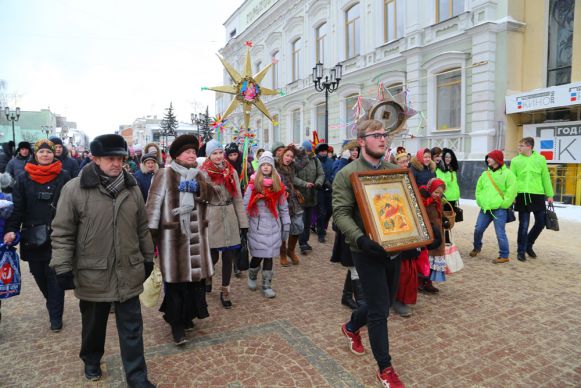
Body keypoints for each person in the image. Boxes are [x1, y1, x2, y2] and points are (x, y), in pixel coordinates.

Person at [50, 134, 155, 386]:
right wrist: (63, 267)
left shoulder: (131, 189)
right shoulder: (74, 189)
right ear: (95, 159)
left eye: (120, 158)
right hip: (92, 272)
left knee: (132, 329)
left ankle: (137, 378)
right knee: (94, 326)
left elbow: (142, 227)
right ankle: (91, 359)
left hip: (128, 269)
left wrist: (148, 257)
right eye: (110, 158)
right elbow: (63, 231)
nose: (117, 163)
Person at [333, 119, 404, 387]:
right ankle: (385, 369)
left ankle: (351, 327)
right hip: (365, 251)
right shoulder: (346, 174)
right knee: (379, 312)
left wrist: (415, 234)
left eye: (385, 135)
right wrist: (361, 240)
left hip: (394, 249)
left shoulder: (394, 169)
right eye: (376, 135)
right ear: (361, 141)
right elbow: (340, 213)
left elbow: (403, 204)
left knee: (382, 304)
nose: (383, 139)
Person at [146, 134, 215, 346]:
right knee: (175, 285)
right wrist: (150, 239)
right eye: (188, 152)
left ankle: (187, 317)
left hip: (197, 240)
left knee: (194, 284)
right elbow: (153, 206)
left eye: (194, 152)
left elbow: (214, 197)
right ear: (176, 156)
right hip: (173, 240)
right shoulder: (164, 174)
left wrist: (199, 190)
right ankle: (176, 325)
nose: (192, 155)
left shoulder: (199, 175)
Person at [4, 139, 71, 332]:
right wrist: (11, 229)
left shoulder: (64, 176)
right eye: (41, 152)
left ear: (54, 154)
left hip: (58, 235)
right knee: (39, 274)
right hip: (32, 237)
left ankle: (55, 317)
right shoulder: (24, 178)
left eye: (48, 152)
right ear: (35, 154)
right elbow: (18, 209)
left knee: (55, 276)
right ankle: (52, 304)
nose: (45, 155)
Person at [200, 140, 249, 308]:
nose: (219, 156)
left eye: (220, 152)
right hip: (212, 216)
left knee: (229, 256)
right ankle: (207, 275)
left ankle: (225, 290)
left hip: (229, 215)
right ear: (209, 155)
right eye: (215, 153)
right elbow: (200, 199)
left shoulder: (231, 171)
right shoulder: (203, 173)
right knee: (212, 255)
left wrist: (243, 222)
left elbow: (238, 198)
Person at [244, 151, 290, 298]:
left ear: (272, 167)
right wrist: (243, 226)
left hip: (273, 226)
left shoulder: (278, 185)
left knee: (269, 256)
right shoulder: (252, 185)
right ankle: (252, 275)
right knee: (257, 256)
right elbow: (245, 206)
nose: (265, 167)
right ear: (259, 167)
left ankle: (266, 284)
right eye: (263, 164)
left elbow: (283, 206)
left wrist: (286, 224)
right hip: (256, 225)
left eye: (268, 165)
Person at [330, 140, 363, 311]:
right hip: (346, 218)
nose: (354, 152)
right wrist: (342, 160)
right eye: (351, 150)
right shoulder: (340, 165)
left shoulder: (360, 165)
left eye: (356, 150)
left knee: (354, 262)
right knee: (353, 261)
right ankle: (361, 303)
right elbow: (336, 179)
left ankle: (346, 295)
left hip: (359, 218)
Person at [510, 137, 554, 261]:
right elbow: (512, 180)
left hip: (538, 196)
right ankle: (521, 251)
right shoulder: (515, 161)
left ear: (529, 146)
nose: (519, 148)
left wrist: (549, 195)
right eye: (519, 145)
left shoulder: (540, 159)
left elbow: (545, 177)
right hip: (522, 196)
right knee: (523, 225)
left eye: (521, 146)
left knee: (541, 222)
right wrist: (512, 196)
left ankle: (528, 244)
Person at [471, 150, 517, 264]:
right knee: (478, 229)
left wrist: (503, 204)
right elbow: (478, 189)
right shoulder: (485, 174)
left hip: (500, 209)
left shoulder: (508, 174)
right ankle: (477, 247)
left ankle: (504, 255)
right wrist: (480, 201)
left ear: (497, 159)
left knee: (500, 233)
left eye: (489, 158)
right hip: (485, 208)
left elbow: (512, 191)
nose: (487, 160)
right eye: (487, 158)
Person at [294, 140, 324, 254]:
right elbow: (293, 177)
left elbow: (321, 174)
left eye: (309, 151)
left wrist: (318, 182)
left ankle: (305, 241)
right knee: (302, 220)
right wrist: (304, 184)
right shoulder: (296, 160)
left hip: (312, 195)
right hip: (299, 195)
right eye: (305, 151)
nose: (307, 153)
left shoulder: (315, 160)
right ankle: (302, 243)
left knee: (308, 221)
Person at [275, 145, 303, 266]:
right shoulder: (275, 166)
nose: (289, 158)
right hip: (280, 200)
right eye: (287, 155)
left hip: (293, 200)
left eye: (291, 156)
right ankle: (282, 253)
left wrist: (296, 150)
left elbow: (304, 161)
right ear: (281, 155)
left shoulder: (292, 166)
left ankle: (290, 251)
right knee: (283, 228)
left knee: (297, 225)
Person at [419, 178, 447, 287]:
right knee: (426, 258)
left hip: (437, 232)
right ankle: (422, 281)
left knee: (434, 258)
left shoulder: (437, 201)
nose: (438, 195)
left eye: (440, 193)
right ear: (431, 189)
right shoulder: (424, 200)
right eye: (436, 192)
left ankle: (428, 281)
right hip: (428, 232)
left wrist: (444, 219)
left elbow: (439, 213)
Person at [315, 143, 334, 243]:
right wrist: (324, 182)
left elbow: (334, 172)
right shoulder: (316, 161)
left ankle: (323, 225)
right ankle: (321, 233)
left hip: (330, 189)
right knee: (321, 212)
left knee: (330, 210)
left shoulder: (331, 161)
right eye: (321, 151)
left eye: (325, 150)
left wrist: (330, 181)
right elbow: (316, 174)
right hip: (320, 190)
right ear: (318, 152)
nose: (323, 152)